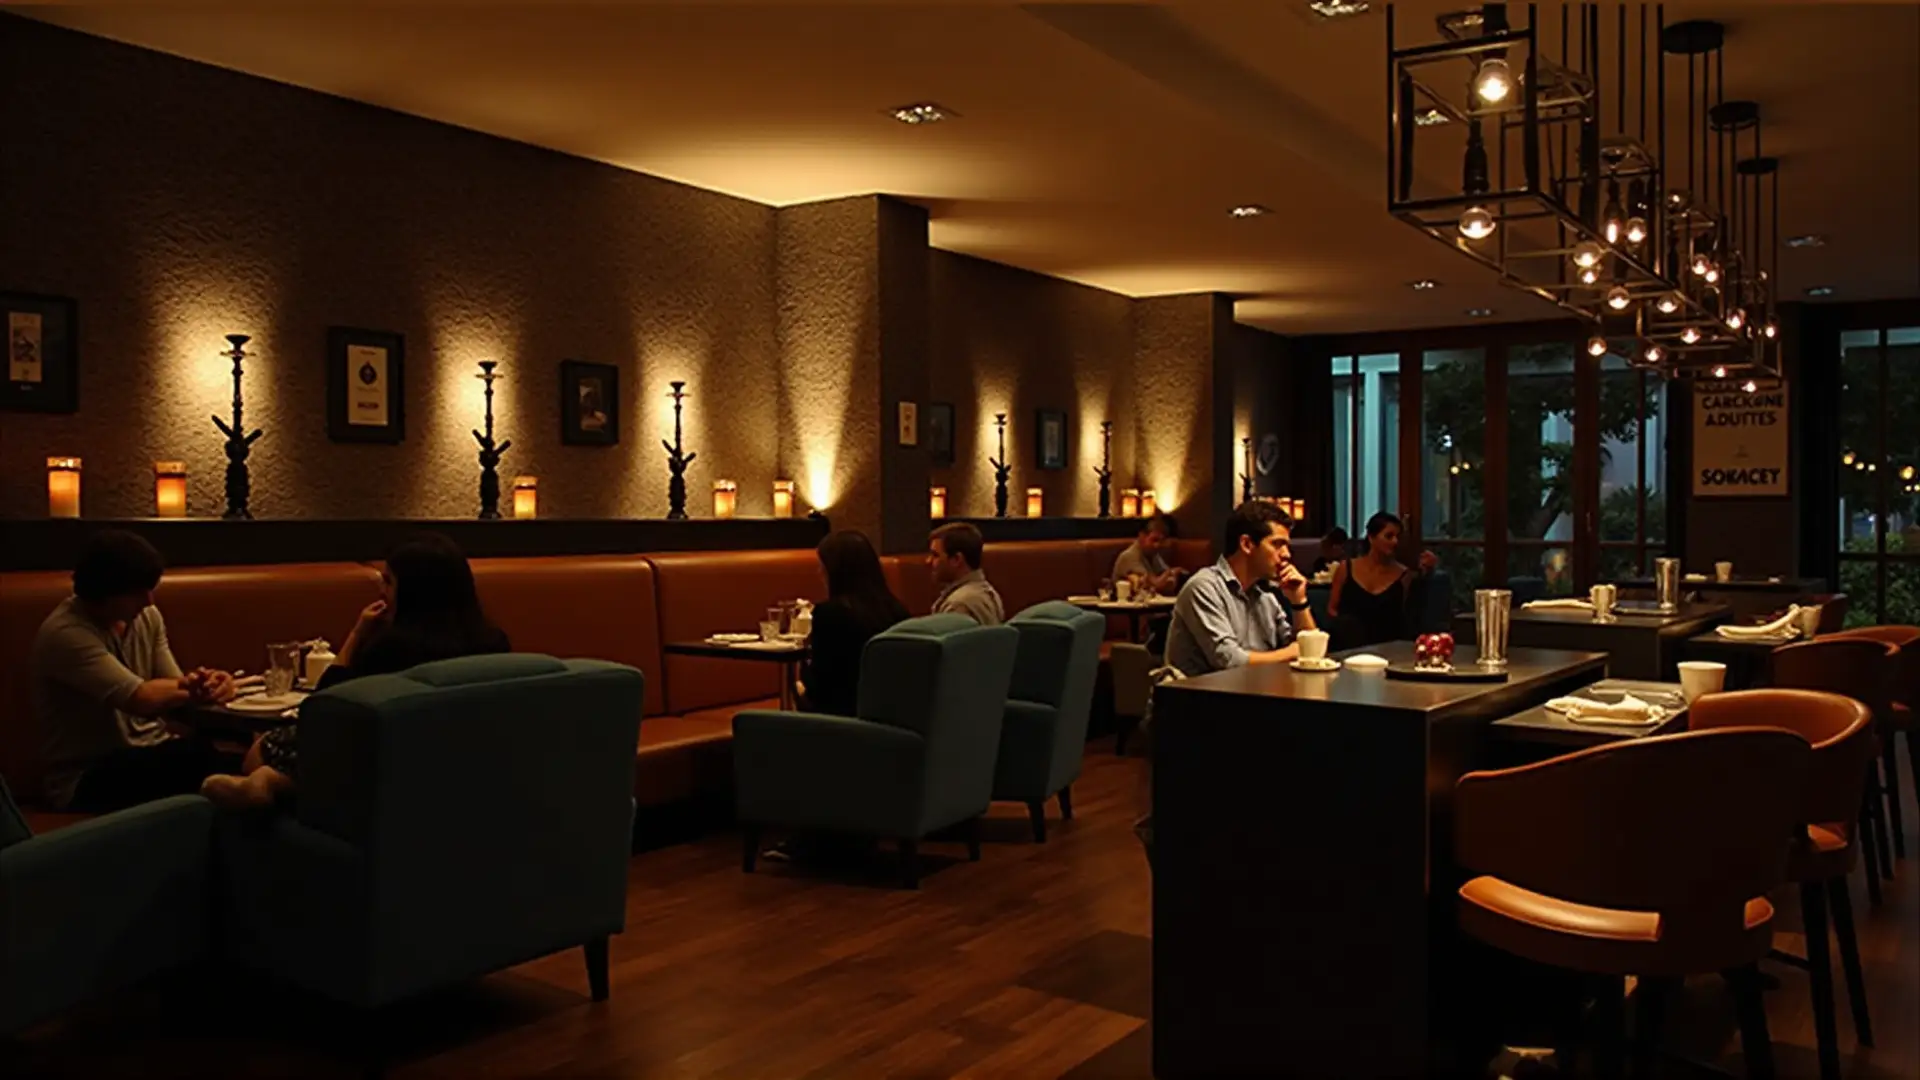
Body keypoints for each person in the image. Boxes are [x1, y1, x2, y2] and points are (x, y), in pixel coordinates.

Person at [199, 533, 510, 809]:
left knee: (269, 746)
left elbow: (324, 707)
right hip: (463, 767)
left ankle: (270, 782)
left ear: (413, 591)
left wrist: (358, 633)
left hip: (382, 767)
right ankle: (272, 782)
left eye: (388, 582)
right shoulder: (494, 643)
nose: (382, 591)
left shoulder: (391, 648)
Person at [33, 530, 239, 811]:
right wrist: (194, 688)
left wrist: (211, 684)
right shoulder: (66, 634)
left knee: (241, 748)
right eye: (137, 592)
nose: (149, 600)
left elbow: (173, 686)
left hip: (150, 753)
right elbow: (141, 698)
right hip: (86, 776)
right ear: (104, 592)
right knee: (199, 757)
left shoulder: (146, 617)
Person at [1163, 500, 1318, 677]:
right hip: (1201, 693)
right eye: (1277, 544)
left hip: (1254, 690)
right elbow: (1230, 661)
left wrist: (1299, 602)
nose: (1286, 554)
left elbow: (1311, 652)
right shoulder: (1204, 588)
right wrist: (1293, 653)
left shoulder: (1265, 598)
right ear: (1246, 544)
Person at [799, 530, 910, 717]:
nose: (819, 573)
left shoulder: (830, 614)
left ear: (835, 571)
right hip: (889, 716)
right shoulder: (896, 610)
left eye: (822, 567)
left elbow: (822, 687)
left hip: (843, 721)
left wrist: (802, 670)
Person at [1326, 512, 1439, 649]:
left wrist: (1428, 572)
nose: (1395, 542)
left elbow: (1410, 618)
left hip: (1386, 646)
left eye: (1398, 537)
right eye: (1389, 536)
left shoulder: (1404, 576)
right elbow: (1332, 608)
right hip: (1347, 644)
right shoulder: (1346, 567)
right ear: (1371, 538)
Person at [928, 522, 1004, 626]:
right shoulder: (990, 593)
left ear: (956, 559)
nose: (928, 561)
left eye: (935, 555)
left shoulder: (958, 605)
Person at [1112, 512, 1186, 595]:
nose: (1157, 545)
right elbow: (1153, 583)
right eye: (1154, 540)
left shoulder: (1153, 555)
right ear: (1142, 536)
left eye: (1161, 541)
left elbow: (1164, 576)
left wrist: (1173, 575)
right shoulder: (1129, 556)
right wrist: (1171, 573)